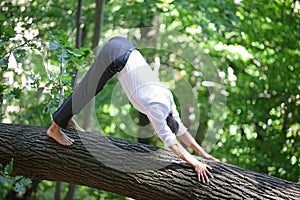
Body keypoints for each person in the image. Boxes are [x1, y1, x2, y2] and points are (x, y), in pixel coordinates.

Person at [47, 36, 218, 183]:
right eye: (157, 131)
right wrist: (195, 163)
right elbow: (172, 142)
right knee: (88, 89)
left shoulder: (168, 101)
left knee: (90, 88)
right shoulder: (157, 109)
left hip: (125, 46)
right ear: (162, 125)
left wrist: (203, 154)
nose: (154, 131)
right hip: (116, 55)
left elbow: (182, 131)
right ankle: (55, 128)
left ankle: (66, 116)